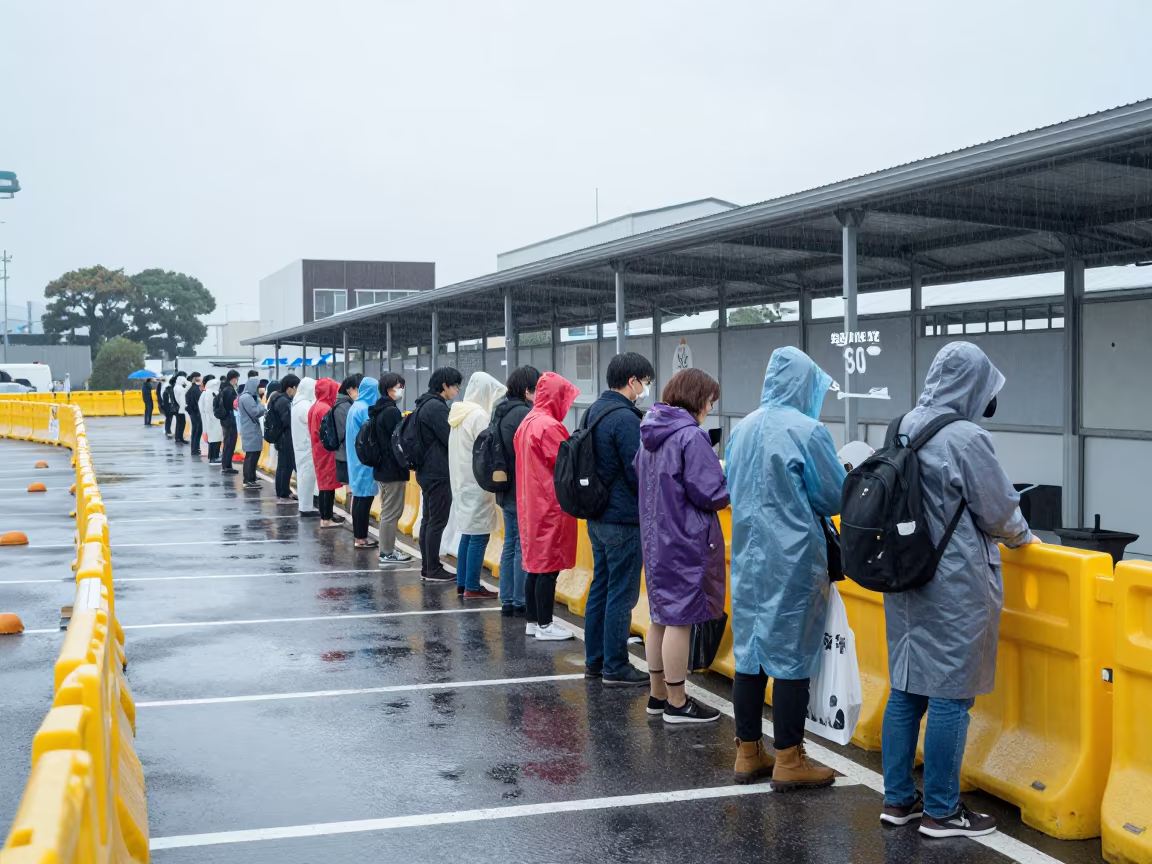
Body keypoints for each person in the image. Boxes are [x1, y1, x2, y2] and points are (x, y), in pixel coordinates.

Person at [880, 342, 1038, 839]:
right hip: (952, 582)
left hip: (905, 574)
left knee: (906, 689)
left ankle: (898, 800)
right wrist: (1023, 537)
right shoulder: (966, 437)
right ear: (972, 387)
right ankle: (944, 810)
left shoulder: (901, 424)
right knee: (950, 696)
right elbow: (998, 509)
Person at [725, 347, 844, 791]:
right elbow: (834, 496)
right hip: (793, 559)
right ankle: (790, 758)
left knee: (750, 654)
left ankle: (747, 752)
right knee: (793, 658)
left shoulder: (745, 427)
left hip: (749, 557)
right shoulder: (807, 430)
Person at [635, 369, 728, 725]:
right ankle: (677, 702)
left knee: (660, 617)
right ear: (697, 398)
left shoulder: (650, 433)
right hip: (686, 540)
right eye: (709, 400)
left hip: (657, 537)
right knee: (680, 622)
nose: (710, 407)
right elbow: (712, 493)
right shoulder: (691, 437)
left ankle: (658, 696)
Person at [583, 352, 654, 686]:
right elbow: (637, 470)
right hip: (622, 520)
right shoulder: (625, 419)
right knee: (621, 594)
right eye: (645, 382)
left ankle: (595, 660)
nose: (645, 389)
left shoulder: (592, 412)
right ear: (632, 381)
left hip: (596, 516)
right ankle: (615, 665)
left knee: (601, 587)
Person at [514, 371, 579, 641]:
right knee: (548, 568)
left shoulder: (527, 421)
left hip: (530, 502)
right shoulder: (549, 426)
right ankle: (545, 624)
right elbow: (566, 461)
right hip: (549, 504)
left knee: (535, 565)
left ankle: (533, 620)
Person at [448, 371, 507, 599]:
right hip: (477, 484)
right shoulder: (478, 416)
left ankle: (463, 583)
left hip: (462, 482)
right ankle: (472, 586)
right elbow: (488, 451)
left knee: (468, 533)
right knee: (480, 535)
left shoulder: (458, 413)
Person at [493, 365, 539, 616]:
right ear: (527, 390)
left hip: (503, 486)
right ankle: (521, 600)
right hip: (521, 488)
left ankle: (507, 598)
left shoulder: (499, 410)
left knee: (510, 543)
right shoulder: (523, 413)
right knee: (521, 544)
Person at [415, 367, 462, 582]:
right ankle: (432, 567)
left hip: (426, 471)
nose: (458, 390)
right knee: (437, 521)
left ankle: (428, 565)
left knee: (428, 519)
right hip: (438, 472)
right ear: (444, 386)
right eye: (456, 385)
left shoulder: (424, 403)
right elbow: (450, 439)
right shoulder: (437, 408)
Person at [369, 373, 412, 565]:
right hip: (392, 469)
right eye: (398, 386)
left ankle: (387, 548)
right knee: (391, 512)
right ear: (389, 389)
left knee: (388, 510)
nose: (401, 389)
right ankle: (386, 552)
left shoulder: (379, 409)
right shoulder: (391, 412)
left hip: (381, 468)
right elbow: (398, 442)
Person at [345, 376, 380, 549]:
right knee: (364, 500)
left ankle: (359, 536)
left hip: (355, 457)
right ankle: (361, 538)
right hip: (364, 459)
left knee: (359, 497)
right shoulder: (365, 409)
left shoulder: (354, 407)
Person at [308, 378, 345, 528]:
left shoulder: (315, 406)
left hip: (318, 449)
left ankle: (325, 516)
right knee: (328, 485)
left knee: (323, 484)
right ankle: (326, 518)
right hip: (327, 451)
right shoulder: (325, 408)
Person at [291, 377, 319, 517]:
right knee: (307, 478)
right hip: (307, 446)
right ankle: (306, 507)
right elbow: (313, 426)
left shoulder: (297, 403)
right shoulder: (305, 406)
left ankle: (306, 505)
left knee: (303, 476)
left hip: (300, 445)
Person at [268, 374, 299, 501]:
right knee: (285, 466)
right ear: (290, 388)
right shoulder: (284, 401)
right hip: (285, 436)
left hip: (280, 436)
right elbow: (287, 420)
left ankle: (283, 490)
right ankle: (283, 491)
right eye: (296, 388)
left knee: (283, 465)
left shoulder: (276, 397)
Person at [333, 374, 361, 493]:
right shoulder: (344, 406)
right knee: (351, 488)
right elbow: (344, 432)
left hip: (345, 453)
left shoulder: (345, 404)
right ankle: (351, 510)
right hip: (345, 455)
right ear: (351, 389)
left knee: (351, 487)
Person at [237, 375, 266, 486]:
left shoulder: (250, 396)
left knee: (254, 453)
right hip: (250, 430)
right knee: (251, 455)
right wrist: (264, 406)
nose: (260, 388)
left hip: (252, 429)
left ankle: (251, 477)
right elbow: (255, 412)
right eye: (258, 386)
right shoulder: (247, 397)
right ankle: (248, 479)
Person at [219, 370, 241, 474]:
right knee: (230, 442)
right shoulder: (230, 390)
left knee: (228, 442)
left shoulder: (224, 388)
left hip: (225, 419)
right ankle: (227, 466)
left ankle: (227, 465)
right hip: (229, 419)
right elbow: (231, 405)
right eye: (237, 378)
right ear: (233, 378)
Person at [200, 375, 223, 463]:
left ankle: (213, 456)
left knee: (214, 438)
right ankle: (214, 457)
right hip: (213, 419)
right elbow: (208, 407)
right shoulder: (211, 393)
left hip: (211, 418)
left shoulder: (207, 392)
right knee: (215, 439)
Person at [186, 372, 203, 456]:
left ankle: (194, 448)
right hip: (196, 412)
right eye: (198, 377)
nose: (200, 378)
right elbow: (196, 402)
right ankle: (195, 448)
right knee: (198, 430)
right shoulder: (195, 389)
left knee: (195, 430)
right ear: (195, 378)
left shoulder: (192, 388)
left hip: (193, 412)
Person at [171, 372, 189, 445]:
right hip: (180, 409)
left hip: (178, 408)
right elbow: (181, 400)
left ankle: (178, 437)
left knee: (179, 423)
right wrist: (183, 407)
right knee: (181, 423)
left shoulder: (176, 387)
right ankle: (180, 438)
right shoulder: (180, 388)